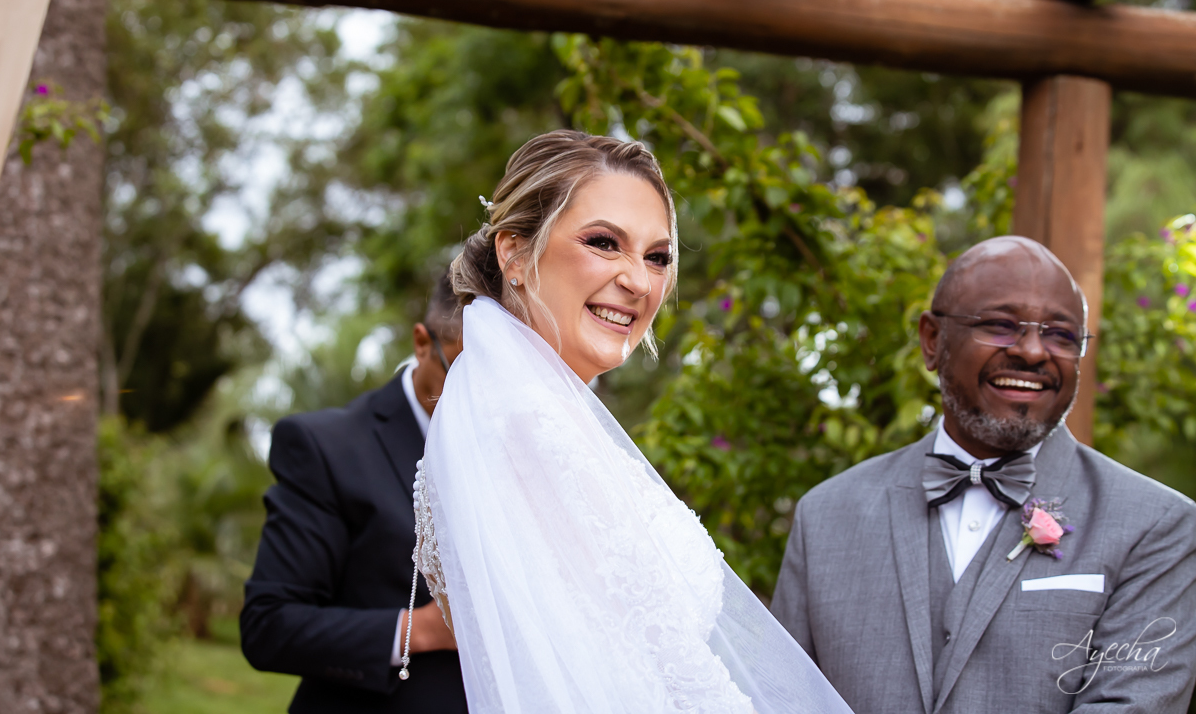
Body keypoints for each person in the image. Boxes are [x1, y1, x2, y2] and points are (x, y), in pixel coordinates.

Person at [402, 130, 852, 714]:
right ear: (514, 253)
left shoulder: (532, 413)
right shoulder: (524, 426)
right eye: (604, 243)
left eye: (657, 257)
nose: (640, 281)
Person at [771, 236, 1196, 714]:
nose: (1033, 351)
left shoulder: (1156, 525)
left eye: (1061, 334)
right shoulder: (824, 517)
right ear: (932, 341)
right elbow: (781, 700)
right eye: (1000, 325)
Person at [240, 274, 468, 713]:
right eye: (461, 372)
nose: (479, 398)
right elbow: (268, 625)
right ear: (422, 344)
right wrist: (423, 630)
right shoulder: (326, 447)